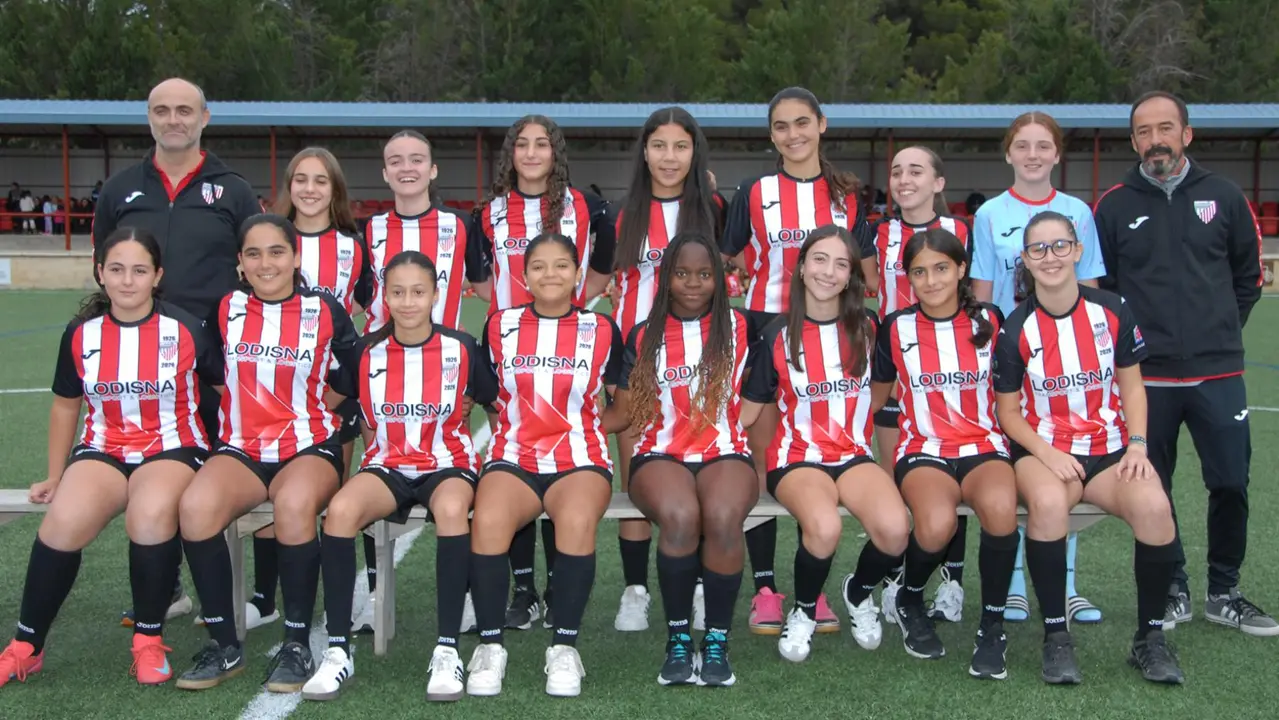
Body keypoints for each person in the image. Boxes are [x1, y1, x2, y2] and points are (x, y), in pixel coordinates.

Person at [0, 228, 220, 688]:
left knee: (150, 512)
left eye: (139, 270)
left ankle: (148, 639)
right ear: (100, 273)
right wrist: (55, 474)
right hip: (104, 448)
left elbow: (225, 392)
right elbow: (66, 403)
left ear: (157, 275)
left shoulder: (185, 328)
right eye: (116, 269)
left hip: (172, 447)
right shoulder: (81, 334)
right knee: (63, 520)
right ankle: (26, 646)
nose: (126, 281)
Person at [1095, 90, 1276, 635]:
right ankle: (1172, 587)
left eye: (1165, 128)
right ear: (1134, 142)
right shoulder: (1114, 204)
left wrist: (1216, 333)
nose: (1156, 140)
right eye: (1144, 132)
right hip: (1147, 378)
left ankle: (1225, 590)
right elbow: (1104, 292)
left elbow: (1248, 279)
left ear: (1186, 134)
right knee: (1156, 488)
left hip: (1217, 373)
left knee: (1230, 484)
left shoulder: (1223, 195)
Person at [92, 78, 258, 626]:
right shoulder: (119, 189)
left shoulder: (231, 190)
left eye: (184, 110)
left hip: (212, 361)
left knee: (211, 475)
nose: (173, 119)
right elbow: (106, 264)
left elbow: (259, 267)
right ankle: (165, 591)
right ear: (149, 118)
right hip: (139, 361)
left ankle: (238, 598)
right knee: (147, 472)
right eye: (162, 110)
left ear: (205, 116)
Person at [993, 211, 1184, 684]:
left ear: (1078, 251)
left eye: (1060, 245)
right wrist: (1048, 454)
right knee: (1048, 503)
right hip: (1045, 450)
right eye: (1038, 248)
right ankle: (1056, 638)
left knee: (1156, 508)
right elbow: (1008, 413)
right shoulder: (1016, 329)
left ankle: (1150, 638)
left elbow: (1134, 389)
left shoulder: (1113, 309)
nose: (1050, 256)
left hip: (1111, 450)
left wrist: (1138, 446)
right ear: (1026, 259)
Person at [173, 214, 359, 692]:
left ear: (295, 257)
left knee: (294, 505)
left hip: (309, 445)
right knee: (194, 508)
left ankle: (296, 643)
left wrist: (316, 406)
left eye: (276, 251)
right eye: (253, 254)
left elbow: (356, 373)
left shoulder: (324, 310)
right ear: (240, 262)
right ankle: (225, 644)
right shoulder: (226, 308)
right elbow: (211, 371)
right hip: (243, 447)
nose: (265, 262)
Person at [302, 251, 497, 702]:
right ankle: (337, 650)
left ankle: (447, 650)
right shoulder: (366, 350)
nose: (408, 302)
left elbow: (495, 402)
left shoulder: (462, 348)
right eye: (397, 292)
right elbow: (344, 402)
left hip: (446, 463)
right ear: (384, 295)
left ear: (435, 295)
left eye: (418, 291)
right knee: (341, 511)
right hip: (387, 464)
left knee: (451, 510)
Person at [719, 86, 870, 635]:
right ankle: (764, 587)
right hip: (766, 330)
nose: (793, 134)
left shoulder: (848, 195)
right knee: (764, 466)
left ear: (822, 125)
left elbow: (862, 268)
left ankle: (816, 590)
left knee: (819, 461)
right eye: (781, 126)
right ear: (772, 135)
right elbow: (726, 254)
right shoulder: (755, 191)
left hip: (831, 338)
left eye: (802, 122)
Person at [471, 115, 616, 633]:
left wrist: (579, 299)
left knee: (565, 462)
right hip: (511, 351)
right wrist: (510, 312)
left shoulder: (584, 205)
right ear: (510, 152)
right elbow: (482, 279)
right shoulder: (487, 213)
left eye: (542, 144)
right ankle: (524, 588)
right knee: (516, 459)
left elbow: (604, 261)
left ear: (556, 152)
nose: (531, 153)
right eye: (522, 144)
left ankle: (558, 588)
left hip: (569, 351)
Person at [740, 225, 910, 663]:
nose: (828, 272)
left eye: (841, 264)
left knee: (895, 532)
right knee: (825, 528)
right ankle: (802, 610)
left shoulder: (870, 326)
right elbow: (750, 407)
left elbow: (881, 390)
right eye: (819, 259)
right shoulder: (776, 333)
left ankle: (857, 592)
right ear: (800, 269)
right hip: (797, 457)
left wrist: (850, 424)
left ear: (852, 276)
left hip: (852, 455)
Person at [465, 232, 623, 699]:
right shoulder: (499, 325)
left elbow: (626, 405)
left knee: (574, 520)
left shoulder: (602, 328)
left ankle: (564, 647)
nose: (549, 274)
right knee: (489, 520)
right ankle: (491, 646)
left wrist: (586, 428)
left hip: (579, 457)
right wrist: (513, 429)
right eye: (538, 266)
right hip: (515, 456)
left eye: (561, 265)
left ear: (578, 273)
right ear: (524, 274)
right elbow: (488, 393)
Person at [970, 111, 1106, 624]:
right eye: (1022, 146)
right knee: (1021, 465)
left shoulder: (1078, 212)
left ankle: (1067, 584)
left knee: (1063, 463)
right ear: (1008, 154)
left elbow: (1091, 290)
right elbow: (983, 295)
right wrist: (985, 349)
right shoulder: (989, 216)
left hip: (1066, 360)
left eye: (1042, 146)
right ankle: (1017, 584)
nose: (1032, 155)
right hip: (1012, 354)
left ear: (1056, 153)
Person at [602, 232, 753, 686]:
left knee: (724, 517)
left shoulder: (742, 328)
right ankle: (678, 638)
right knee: (682, 516)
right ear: (666, 277)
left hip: (724, 450)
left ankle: (717, 641)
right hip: (660, 452)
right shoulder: (644, 334)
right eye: (682, 273)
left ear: (720, 279)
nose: (692, 283)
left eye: (704, 274)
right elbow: (625, 412)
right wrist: (576, 417)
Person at [871, 228, 1019, 680]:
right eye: (919, 272)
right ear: (908, 278)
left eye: (940, 268)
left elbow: (1015, 390)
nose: (931, 280)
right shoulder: (895, 327)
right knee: (936, 524)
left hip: (984, 445)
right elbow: (875, 399)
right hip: (923, 447)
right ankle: (909, 598)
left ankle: (991, 627)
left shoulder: (990, 320)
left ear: (960, 269)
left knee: (999, 509)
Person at [608, 107, 725, 633]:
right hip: (637, 359)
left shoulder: (715, 208)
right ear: (645, 152)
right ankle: (636, 589)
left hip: (702, 359)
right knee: (638, 475)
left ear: (694, 153)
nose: (670, 157)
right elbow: (596, 279)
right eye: (659, 146)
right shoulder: (620, 212)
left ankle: (699, 583)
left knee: (699, 470)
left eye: (681, 146)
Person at [860, 146, 972, 626]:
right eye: (897, 172)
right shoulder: (877, 233)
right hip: (897, 376)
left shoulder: (961, 232)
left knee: (956, 481)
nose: (905, 179)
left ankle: (951, 582)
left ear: (939, 182)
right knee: (897, 481)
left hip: (951, 377)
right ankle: (892, 579)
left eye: (917, 171)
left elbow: (977, 301)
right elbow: (866, 294)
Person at [271, 146, 379, 633]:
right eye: (301, 179)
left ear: (335, 190)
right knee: (273, 481)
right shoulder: (269, 239)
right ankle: (263, 595)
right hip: (275, 389)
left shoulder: (353, 247)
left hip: (335, 392)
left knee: (342, 490)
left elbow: (363, 306)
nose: (310, 189)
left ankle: (367, 592)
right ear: (288, 186)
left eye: (321, 181)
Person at [365, 130, 488, 334]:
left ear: (433, 170)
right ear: (386, 174)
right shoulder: (372, 227)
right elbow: (358, 294)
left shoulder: (461, 224)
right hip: (381, 352)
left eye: (417, 160)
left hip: (443, 354)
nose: (406, 168)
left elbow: (485, 287)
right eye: (395, 162)